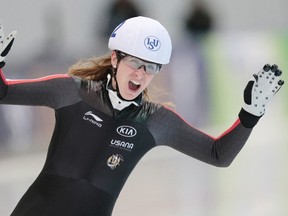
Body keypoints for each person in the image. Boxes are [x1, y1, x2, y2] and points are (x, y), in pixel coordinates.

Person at [0, 16, 284, 216]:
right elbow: (4, 92)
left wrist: (250, 115)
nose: (141, 74)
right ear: (115, 59)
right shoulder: (70, 91)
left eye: (151, 68)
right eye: (135, 62)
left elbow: (218, 154)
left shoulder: (156, 121)